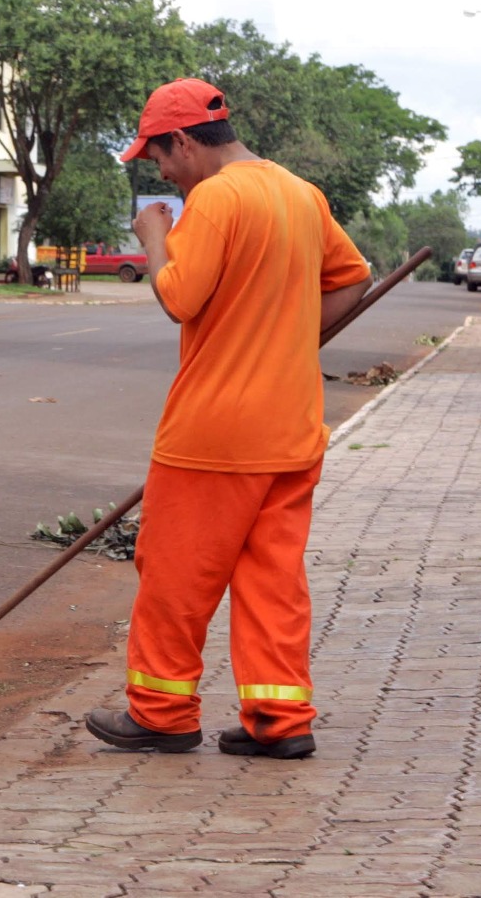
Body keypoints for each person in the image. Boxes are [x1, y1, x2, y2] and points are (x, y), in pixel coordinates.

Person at [84, 78, 371, 760]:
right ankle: (281, 719)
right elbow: (352, 277)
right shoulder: (300, 193)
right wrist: (293, 343)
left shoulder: (212, 199)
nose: (159, 172)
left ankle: (160, 712)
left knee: (175, 573)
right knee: (273, 576)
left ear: (184, 140)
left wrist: (155, 235)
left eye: (158, 156)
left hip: (214, 433)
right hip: (292, 426)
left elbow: (179, 298)